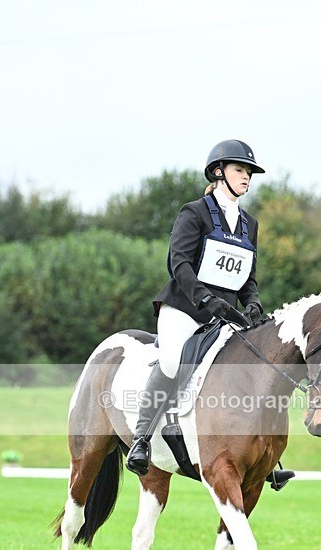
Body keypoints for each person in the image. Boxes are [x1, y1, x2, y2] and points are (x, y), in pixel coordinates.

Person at [126, 139, 266, 475]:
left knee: (251, 366)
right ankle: (141, 439)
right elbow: (179, 263)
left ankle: (264, 455)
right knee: (173, 361)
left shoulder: (250, 224)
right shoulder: (195, 212)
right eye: (239, 170)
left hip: (225, 316)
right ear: (218, 172)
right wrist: (204, 298)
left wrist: (253, 303)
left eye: (249, 172)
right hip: (185, 309)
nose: (246, 177)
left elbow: (247, 277)